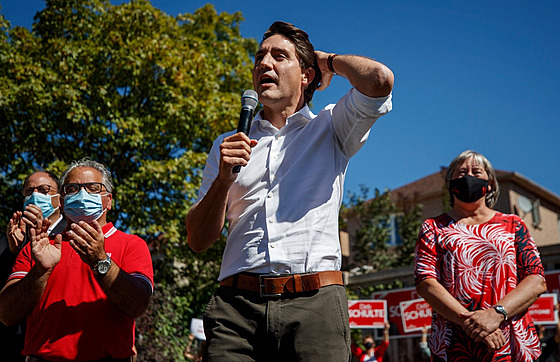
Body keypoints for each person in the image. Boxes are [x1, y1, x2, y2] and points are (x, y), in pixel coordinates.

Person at [186, 21, 393, 361]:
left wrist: (326, 61)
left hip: (315, 306)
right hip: (237, 311)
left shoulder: (331, 127)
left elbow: (379, 80)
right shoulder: (227, 145)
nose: (264, 64)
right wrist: (224, 179)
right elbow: (197, 240)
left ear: (306, 75)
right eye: (260, 58)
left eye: (280, 57)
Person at [0, 158, 154, 361]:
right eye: (72, 188)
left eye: (93, 188)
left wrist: (100, 261)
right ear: (62, 202)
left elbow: (138, 305)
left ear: (108, 200)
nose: (82, 194)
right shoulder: (37, 247)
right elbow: (6, 314)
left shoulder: (132, 245)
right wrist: (40, 271)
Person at [415, 150, 547, 361]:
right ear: (450, 183)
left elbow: (536, 279)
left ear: (491, 184)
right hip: (454, 344)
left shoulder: (513, 225)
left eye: (476, 172)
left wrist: (495, 315)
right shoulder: (434, 228)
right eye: (461, 172)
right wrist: (473, 322)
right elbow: (425, 282)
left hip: (511, 343)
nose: (468, 177)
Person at [0, 171, 67, 361]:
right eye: (29, 191)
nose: (35, 196)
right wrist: (13, 250)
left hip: (55, 339)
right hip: (12, 341)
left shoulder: (72, 234)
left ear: (59, 200)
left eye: (44, 190)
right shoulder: (10, 239)